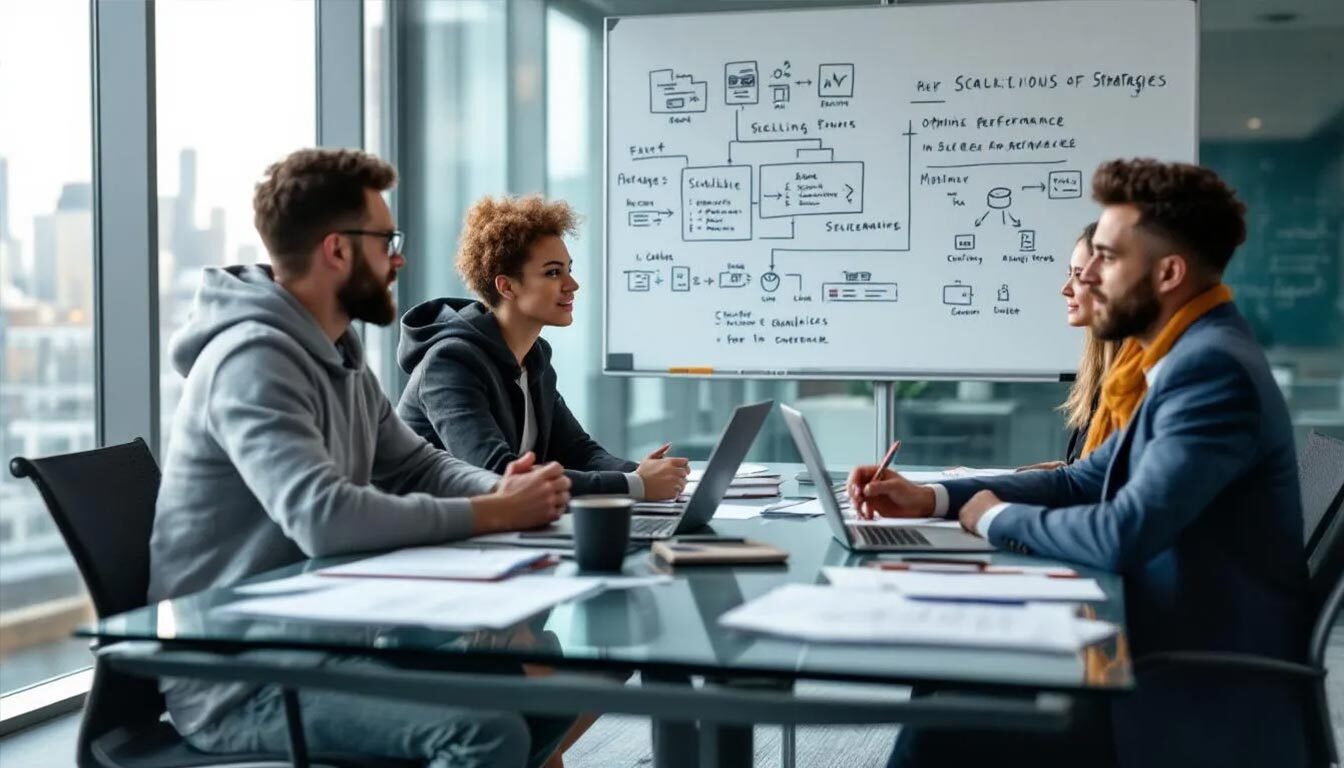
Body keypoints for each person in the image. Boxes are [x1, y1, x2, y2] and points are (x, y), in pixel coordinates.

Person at [850, 158, 1309, 768]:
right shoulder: (1184, 356)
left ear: (1169, 272)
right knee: (948, 681)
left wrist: (992, 518)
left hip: (1181, 688)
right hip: (1144, 636)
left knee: (937, 732)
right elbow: (1084, 479)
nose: (1087, 275)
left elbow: (1124, 531)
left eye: (1108, 258)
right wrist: (932, 498)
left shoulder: (1210, 370)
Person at [150, 148, 572, 767]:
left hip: (336, 642)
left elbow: (415, 465)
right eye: (386, 240)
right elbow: (323, 518)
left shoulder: (337, 350)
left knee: (546, 690)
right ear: (337, 250)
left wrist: (500, 492)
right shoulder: (252, 360)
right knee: (485, 733)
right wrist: (492, 514)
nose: (398, 257)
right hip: (246, 681)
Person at [397, 194, 690, 500]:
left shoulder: (534, 360)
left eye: (568, 269)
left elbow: (580, 452)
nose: (572, 284)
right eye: (553, 272)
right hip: (433, 538)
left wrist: (646, 474)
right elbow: (497, 474)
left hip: (495, 532)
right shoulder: (450, 363)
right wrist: (636, 485)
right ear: (507, 286)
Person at [1018, 222, 1118, 471]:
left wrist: (1068, 479)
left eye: (1080, 275)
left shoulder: (1139, 380)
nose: (1065, 289)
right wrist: (1065, 472)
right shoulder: (1100, 374)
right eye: (1069, 273)